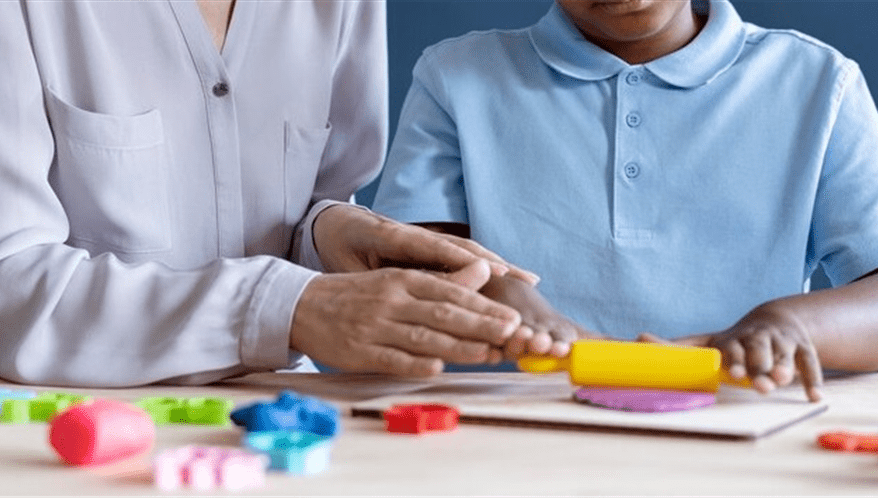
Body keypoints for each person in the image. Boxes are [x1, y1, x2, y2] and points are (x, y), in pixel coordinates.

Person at [0, 0, 540, 388]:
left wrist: (331, 233)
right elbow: (10, 282)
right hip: (73, 430)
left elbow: (315, 196)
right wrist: (286, 309)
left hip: (283, 418)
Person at [372, 0, 878, 402]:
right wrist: (503, 296)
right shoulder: (455, 75)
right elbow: (407, 258)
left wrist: (790, 325)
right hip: (515, 422)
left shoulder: (820, 83)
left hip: (735, 419)